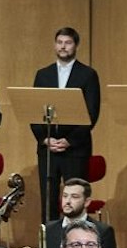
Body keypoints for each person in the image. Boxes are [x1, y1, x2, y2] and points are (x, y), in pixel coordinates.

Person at [31, 26, 102, 220]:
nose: (63, 47)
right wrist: (45, 139)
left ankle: (76, 243)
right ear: (55, 45)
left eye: (68, 43)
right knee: (48, 201)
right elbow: (33, 111)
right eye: (60, 42)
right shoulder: (42, 74)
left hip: (75, 149)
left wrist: (69, 140)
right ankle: (50, 247)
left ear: (76, 46)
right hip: (48, 150)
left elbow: (91, 114)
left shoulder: (88, 75)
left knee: (75, 201)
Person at [43, 176, 118, 248]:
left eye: (74, 197)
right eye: (65, 196)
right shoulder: (49, 229)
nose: (67, 201)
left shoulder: (103, 232)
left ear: (87, 202)